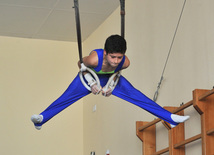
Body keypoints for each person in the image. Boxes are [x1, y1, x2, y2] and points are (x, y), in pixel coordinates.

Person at [31, 34, 189, 130]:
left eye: (119, 57)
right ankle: (42, 119)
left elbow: (117, 71)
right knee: (66, 97)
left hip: (110, 79)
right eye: (112, 57)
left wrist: (111, 86)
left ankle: (170, 118)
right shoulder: (94, 59)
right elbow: (80, 65)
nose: (115, 61)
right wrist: (92, 84)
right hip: (88, 76)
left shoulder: (125, 62)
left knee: (136, 95)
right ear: (105, 53)